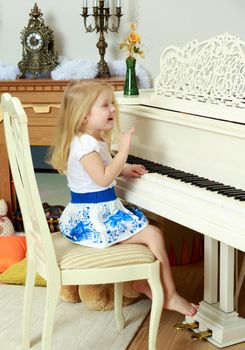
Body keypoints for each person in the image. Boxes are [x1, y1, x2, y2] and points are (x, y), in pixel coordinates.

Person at [50, 80, 199, 316]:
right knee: (154, 234)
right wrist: (124, 151)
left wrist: (123, 168)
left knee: (153, 226)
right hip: (91, 221)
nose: (113, 109)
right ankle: (169, 295)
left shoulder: (92, 138)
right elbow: (101, 178)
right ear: (84, 117)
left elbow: (102, 170)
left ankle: (142, 282)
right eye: (105, 105)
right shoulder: (85, 144)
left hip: (98, 211)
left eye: (112, 104)